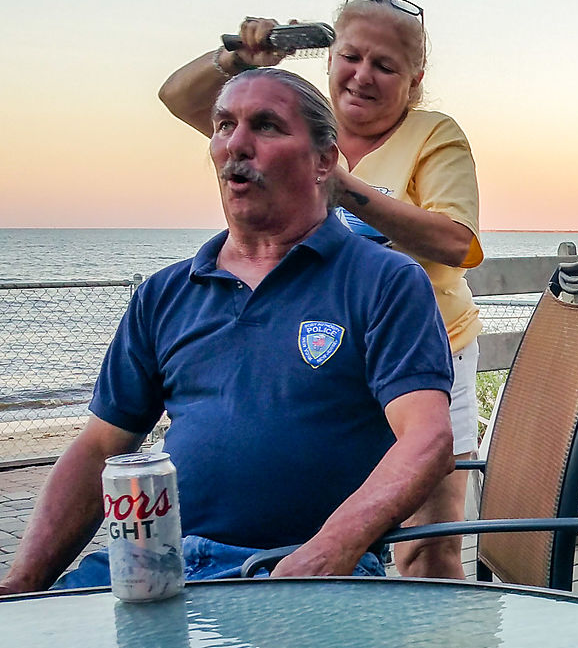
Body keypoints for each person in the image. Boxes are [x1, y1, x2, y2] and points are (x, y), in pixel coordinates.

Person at [0, 69, 455, 594]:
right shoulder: (166, 294)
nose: (236, 143)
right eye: (223, 125)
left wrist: (328, 551)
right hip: (156, 564)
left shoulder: (384, 281)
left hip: (298, 570)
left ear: (324, 162)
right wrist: (22, 585)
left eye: (266, 126)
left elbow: (427, 437)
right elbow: (101, 446)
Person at [157, 0, 482, 580]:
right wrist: (238, 60)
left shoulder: (433, 135)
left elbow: (458, 243)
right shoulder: (296, 122)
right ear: (329, 59)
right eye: (351, 57)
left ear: (414, 81)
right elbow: (176, 98)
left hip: (425, 353)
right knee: (315, 521)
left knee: (427, 546)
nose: (363, 76)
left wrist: (340, 182)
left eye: (385, 66)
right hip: (320, 355)